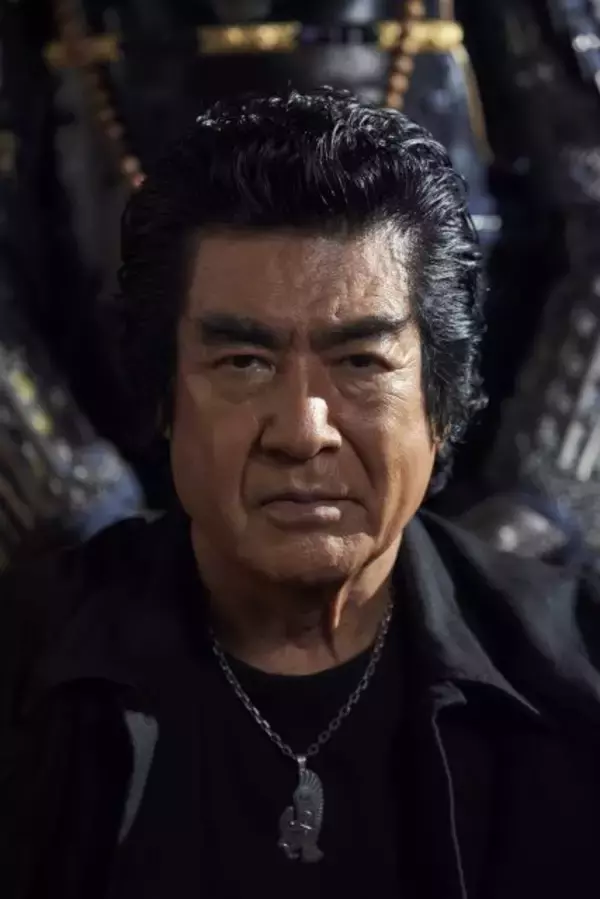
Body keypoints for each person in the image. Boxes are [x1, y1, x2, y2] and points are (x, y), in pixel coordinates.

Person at [2, 87, 600, 899]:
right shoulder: (26, 672)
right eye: (244, 363)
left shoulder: (578, 677)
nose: (302, 429)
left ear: (442, 403)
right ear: (164, 398)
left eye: (361, 362)